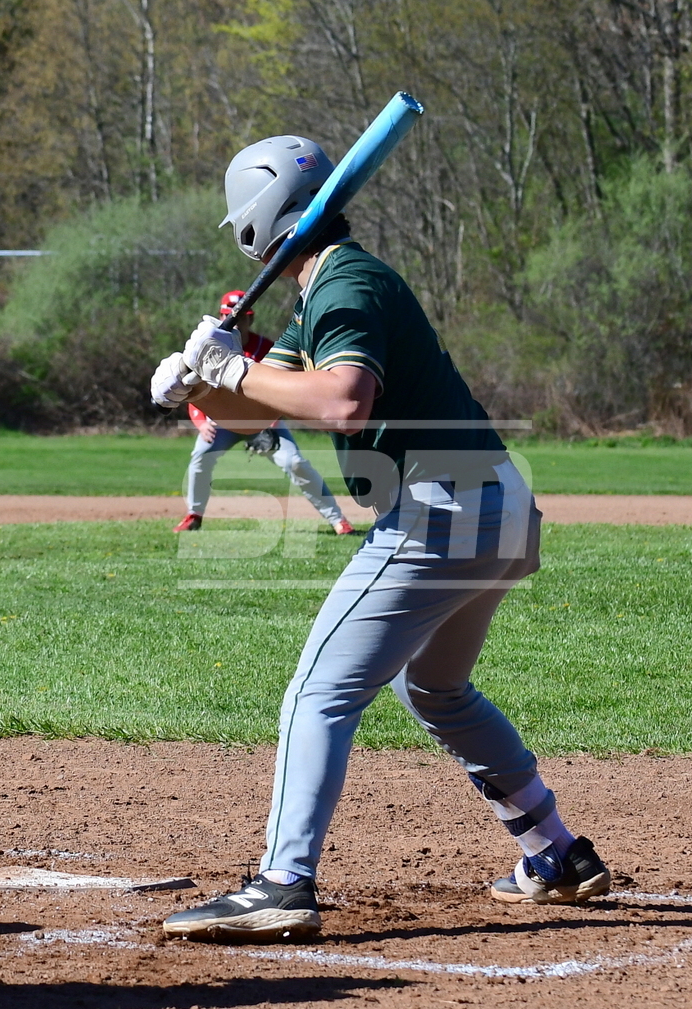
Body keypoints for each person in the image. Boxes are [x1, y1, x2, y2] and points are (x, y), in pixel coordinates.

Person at [149, 134, 611, 941]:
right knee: (433, 688)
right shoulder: (328, 291)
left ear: (255, 224)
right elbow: (265, 407)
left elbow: (342, 403)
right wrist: (200, 385)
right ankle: (555, 851)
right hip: (495, 508)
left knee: (317, 692)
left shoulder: (346, 285)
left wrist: (231, 370)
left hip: (440, 510)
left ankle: (282, 882)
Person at [172, 289, 356, 536]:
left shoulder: (267, 349)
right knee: (200, 457)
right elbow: (196, 388)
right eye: (228, 316)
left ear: (250, 319)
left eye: (240, 317)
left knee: (295, 463)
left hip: (264, 421)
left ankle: (338, 520)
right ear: (221, 315)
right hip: (221, 422)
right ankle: (194, 515)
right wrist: (201, 423)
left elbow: (282, 389)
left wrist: (270, 420)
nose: (234, 321)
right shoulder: (210, 346)